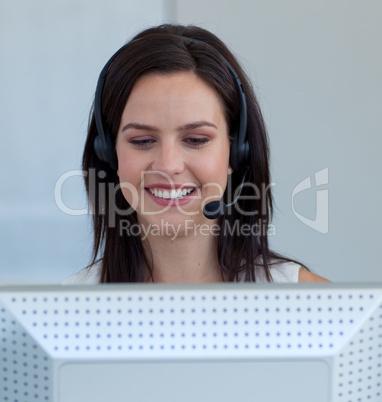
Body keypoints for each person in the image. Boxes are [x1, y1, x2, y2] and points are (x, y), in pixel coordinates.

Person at [64, 24, 328, 285]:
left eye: (196, 140)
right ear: (109, 153)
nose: (168, 165)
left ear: (237, 152)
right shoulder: (68, 312)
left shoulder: (312, 302)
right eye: (143, 141)